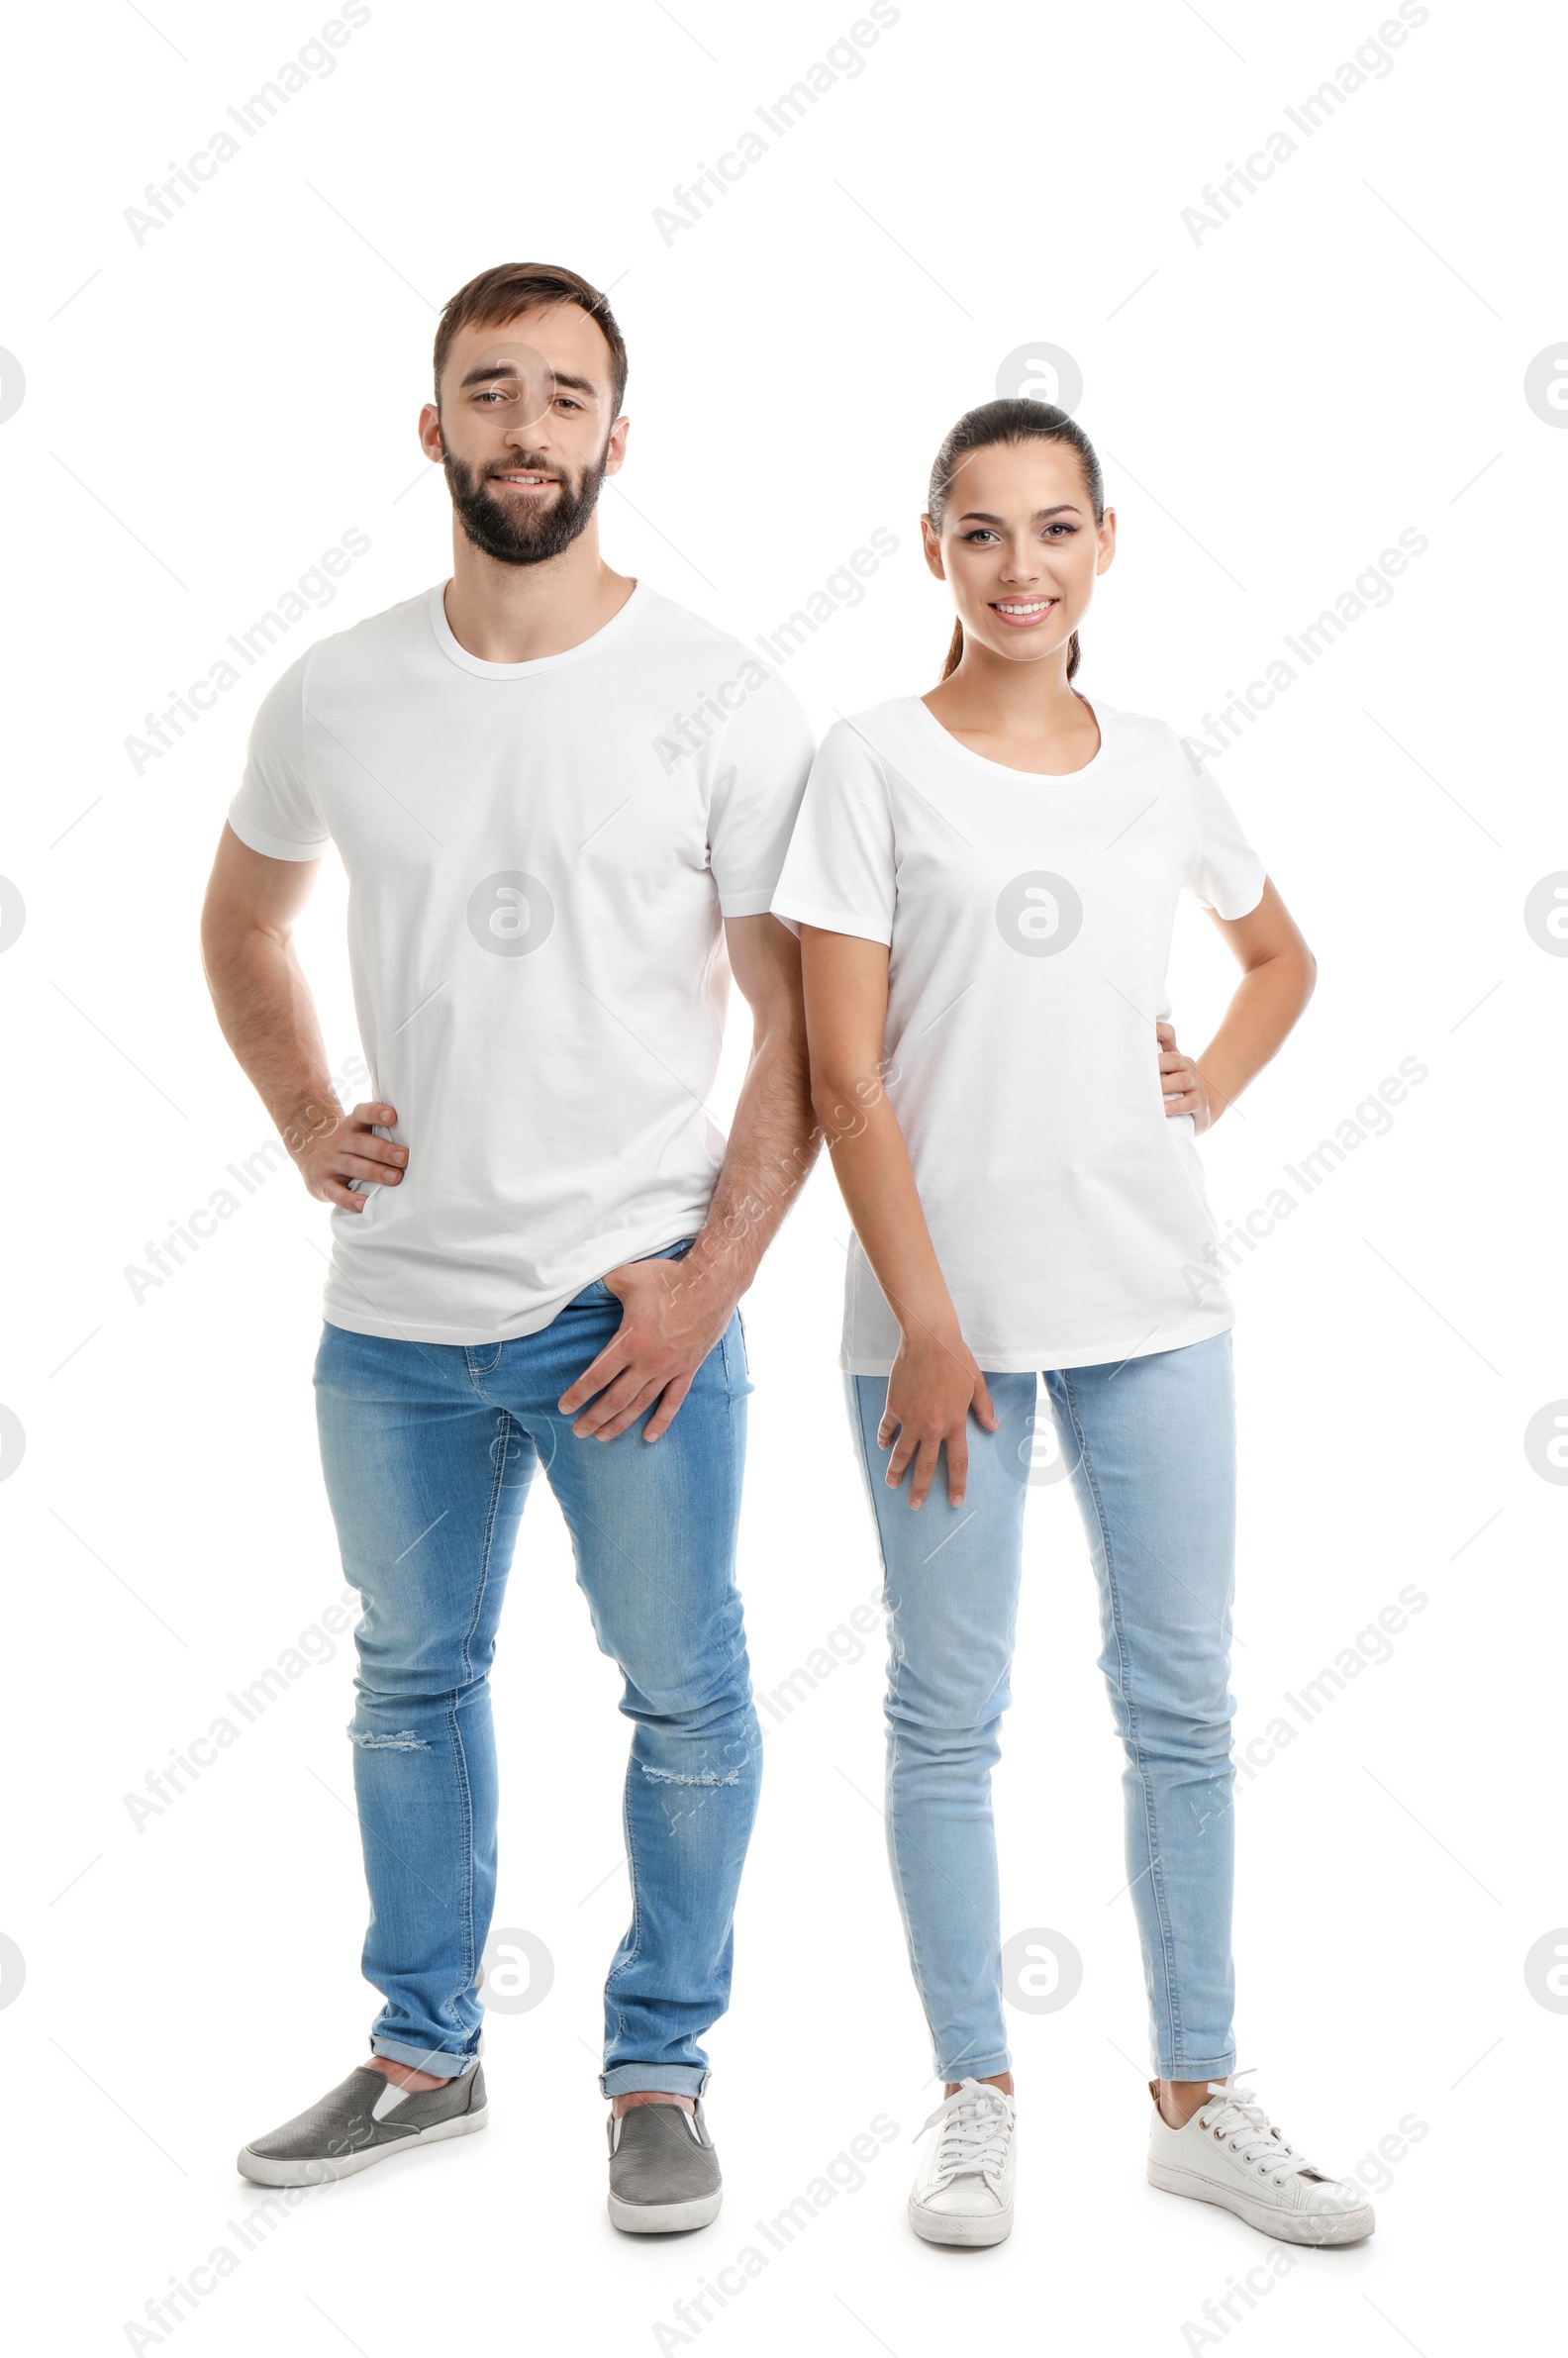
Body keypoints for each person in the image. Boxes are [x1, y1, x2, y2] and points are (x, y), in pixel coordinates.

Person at [200, 261, 819, 2229]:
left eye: (565, 398)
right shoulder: (340, 690)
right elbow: (241, 920)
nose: (526, 429)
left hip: (623, 1309)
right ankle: (422, 2058)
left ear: (614, 441)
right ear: (432, 428)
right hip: (389, 1321)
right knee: (405, 1682)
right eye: (491, 392)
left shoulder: (720, 697)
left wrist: (708, 1279)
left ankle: (656, 2071)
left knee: (683, 1694)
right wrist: (310, 1121)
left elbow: (802, 1031)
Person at [772, 397, 1371, 2250]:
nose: (1019, 567)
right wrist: (932, 1318)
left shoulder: (1165, 764)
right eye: (981, 533)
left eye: (1054, 530)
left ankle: (1200, 2092)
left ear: (1108, 543)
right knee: (948, 1714)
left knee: (1181, 1701)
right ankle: (974, 2097)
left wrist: (1198, 1088)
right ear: (932, 552)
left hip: (1155, 1299)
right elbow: (842, 1071)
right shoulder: (869, 763)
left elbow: (1281, 961)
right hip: (932, 1326)